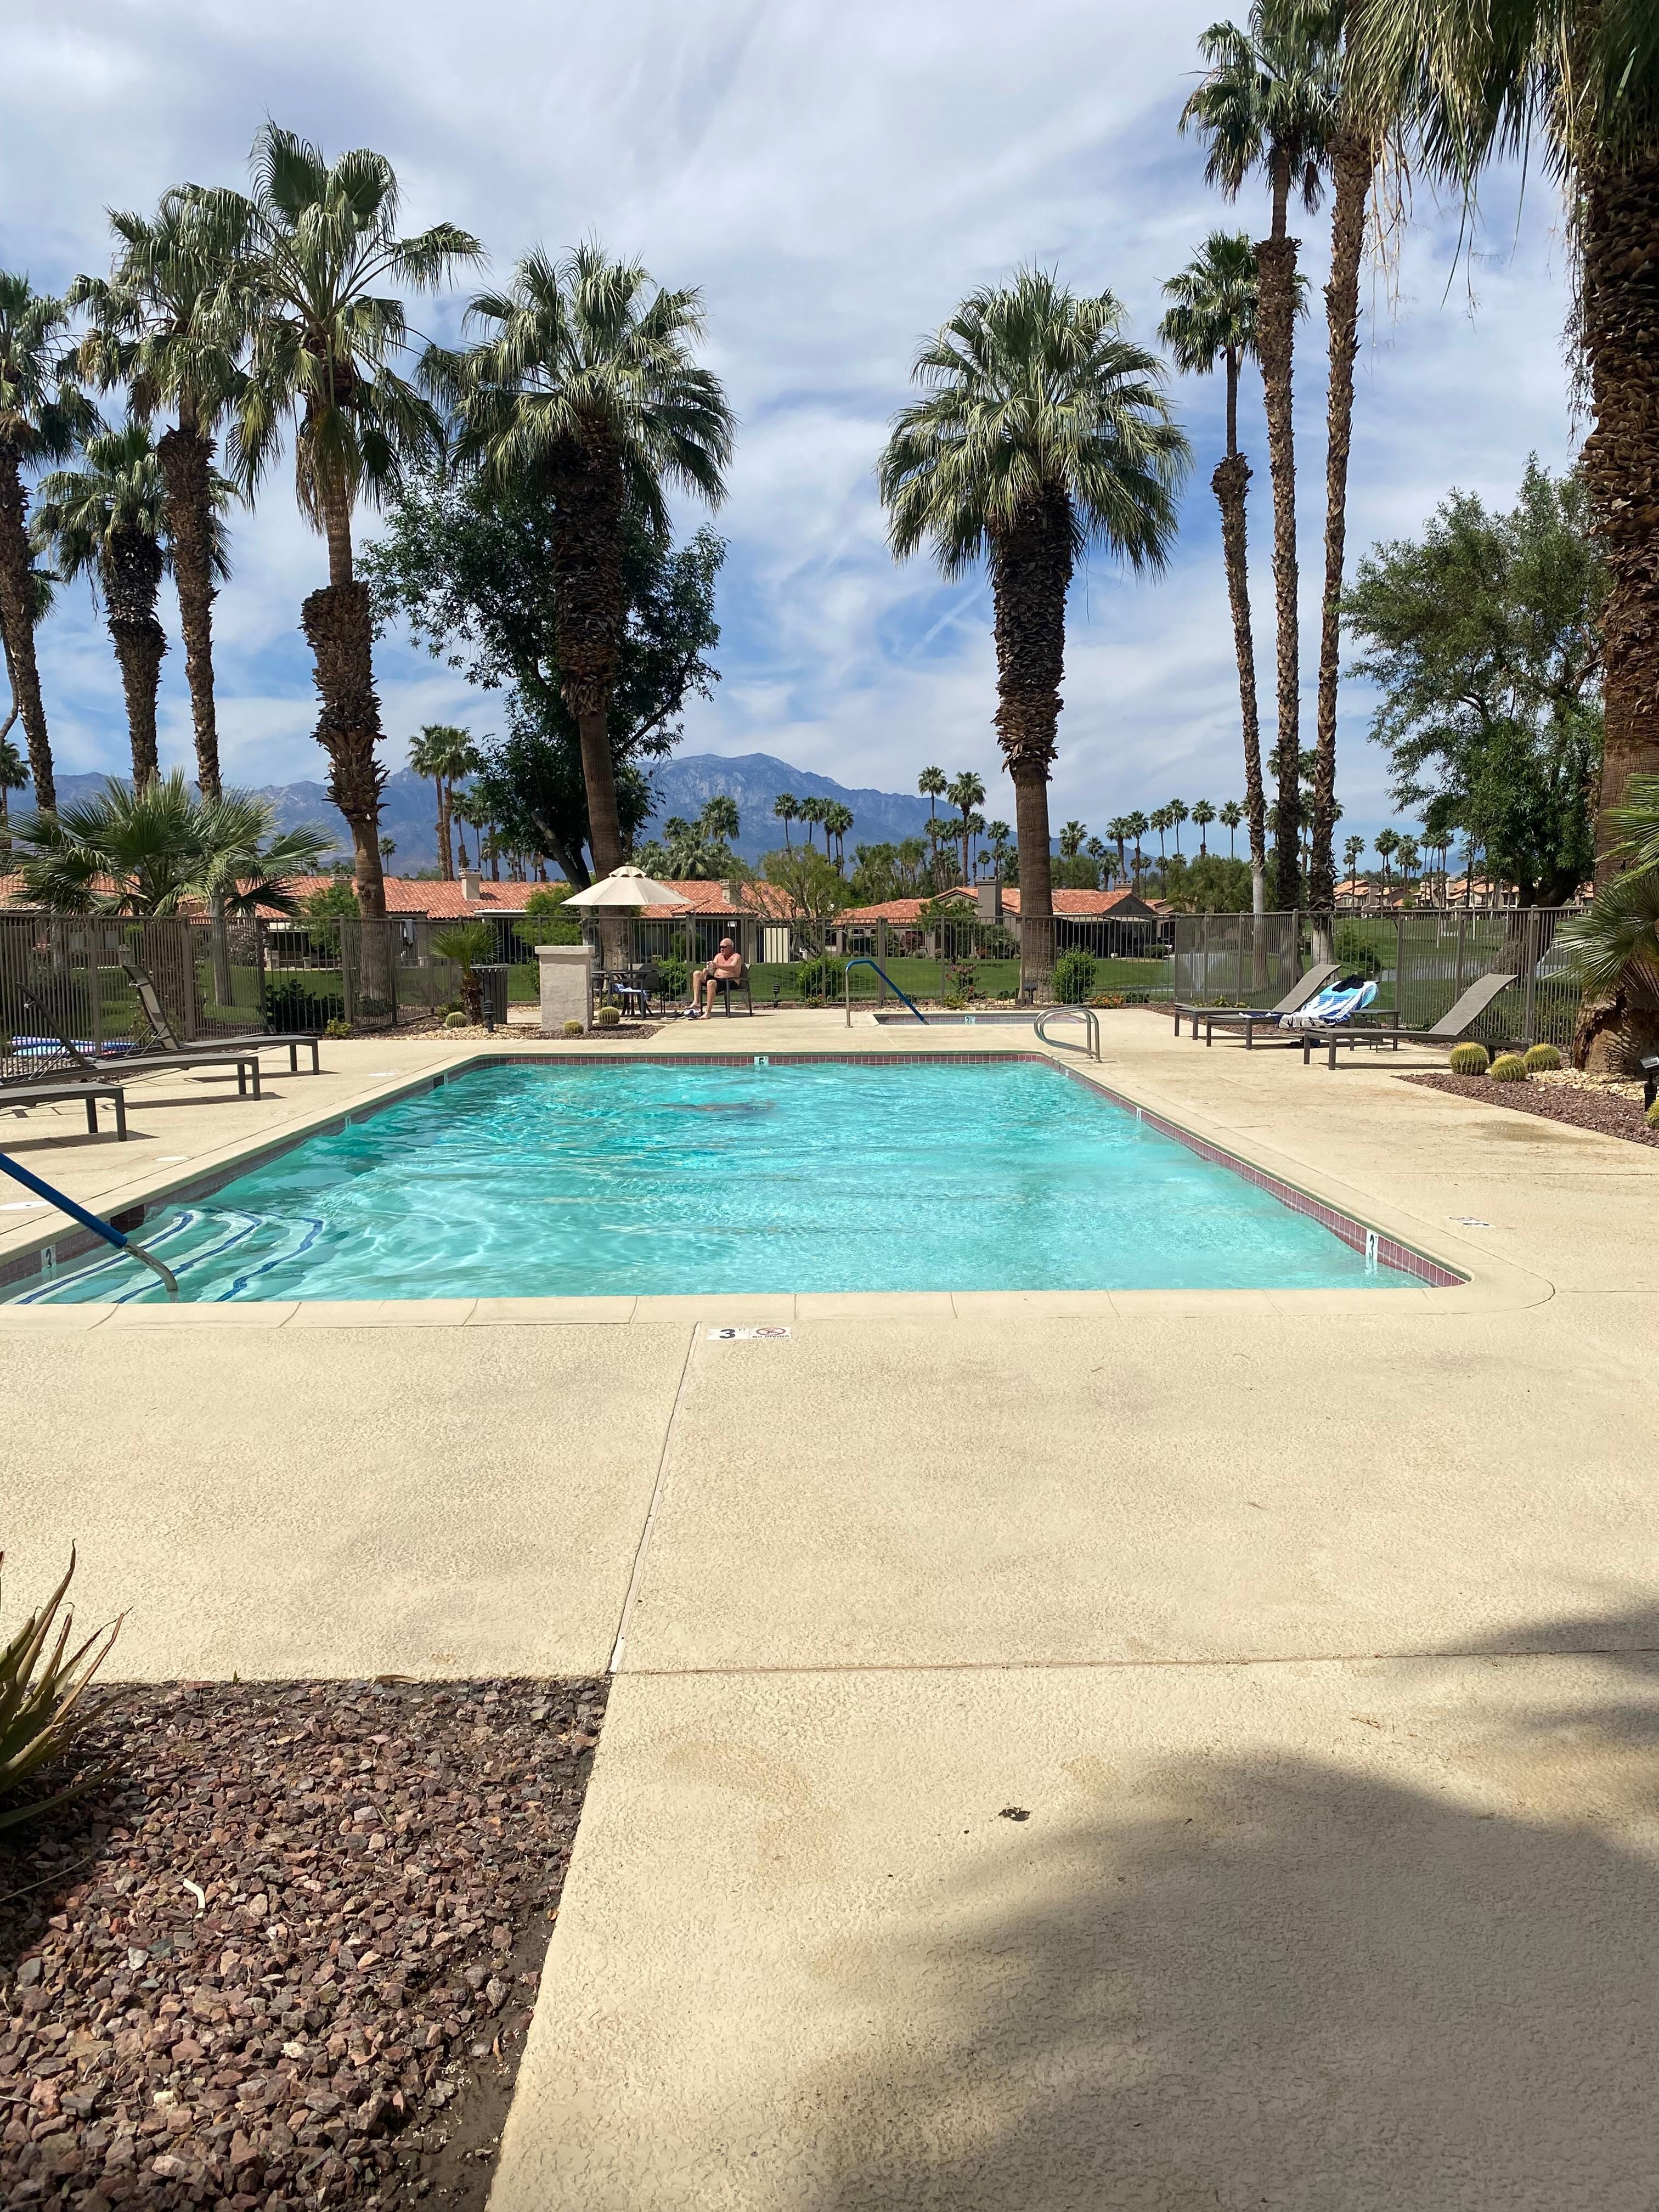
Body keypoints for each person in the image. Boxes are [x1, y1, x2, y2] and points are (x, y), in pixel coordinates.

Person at [689, 936, 744, 1017]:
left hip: (730, 981)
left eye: (724, 947)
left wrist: (717, 965)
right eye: (721, 947)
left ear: (731, 947)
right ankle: (696, 1002)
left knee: (711, 983)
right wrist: (707, 970)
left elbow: (732, 967)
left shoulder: (736, 956)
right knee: (697, 974)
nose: (722, 949)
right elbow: (713, 968)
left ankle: (708, 1013)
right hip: (717, 980)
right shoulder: (718, 956)